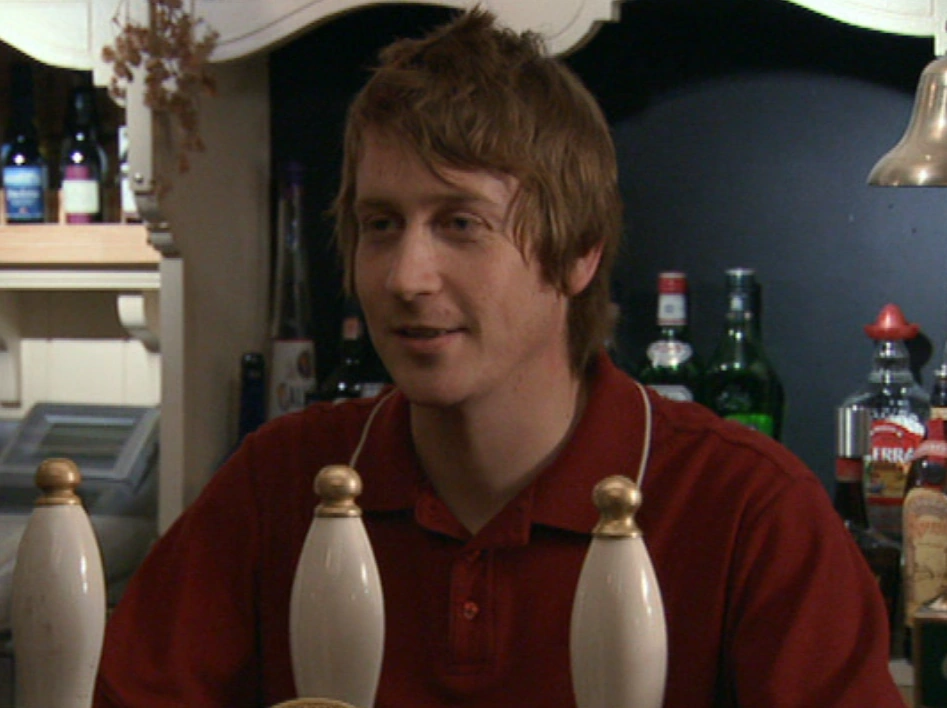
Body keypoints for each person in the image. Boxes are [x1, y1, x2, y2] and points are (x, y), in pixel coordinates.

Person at [93, 9, 904, 708]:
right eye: (380, 224)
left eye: (460, 224)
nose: (405, 278)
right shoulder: (280, 483)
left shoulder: (748, 511)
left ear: (578, 251)